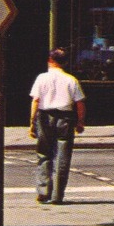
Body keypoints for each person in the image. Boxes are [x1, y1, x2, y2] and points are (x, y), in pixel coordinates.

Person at [30, 48, 86, 204]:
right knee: (63, 157)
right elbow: (80, 103)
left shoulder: (42, 78)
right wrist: (80, 122)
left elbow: (35, 101)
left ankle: (43, 191)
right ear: (65, 62)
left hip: (45, 116)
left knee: (44, 153)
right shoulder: (71, 80)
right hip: (66, 118)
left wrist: (32, 122)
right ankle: (57, 195)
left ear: (50, 60)